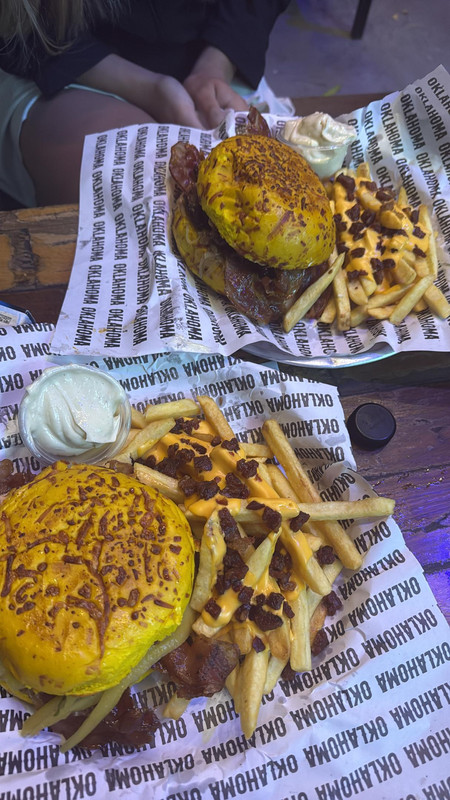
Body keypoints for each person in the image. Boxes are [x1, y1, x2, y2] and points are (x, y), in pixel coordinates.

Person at [0, 0, 290, 207]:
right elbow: (22, 28)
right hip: (54, 56)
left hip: (210, 51)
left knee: (271, 190)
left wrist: (217, 63)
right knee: (140, 189)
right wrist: (152, 89)